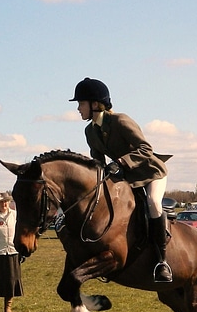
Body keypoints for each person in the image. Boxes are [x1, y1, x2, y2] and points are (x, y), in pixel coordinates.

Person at [70, 77, 172, 282]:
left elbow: (146, 149)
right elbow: (97, 161)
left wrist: (121, 163)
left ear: (95, 104)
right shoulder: (90, 131)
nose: (79, 109)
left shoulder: (121, 121)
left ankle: (162, 261)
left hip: (151, 172)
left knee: (152, 203)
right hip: (128, 178)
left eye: (81, 104)